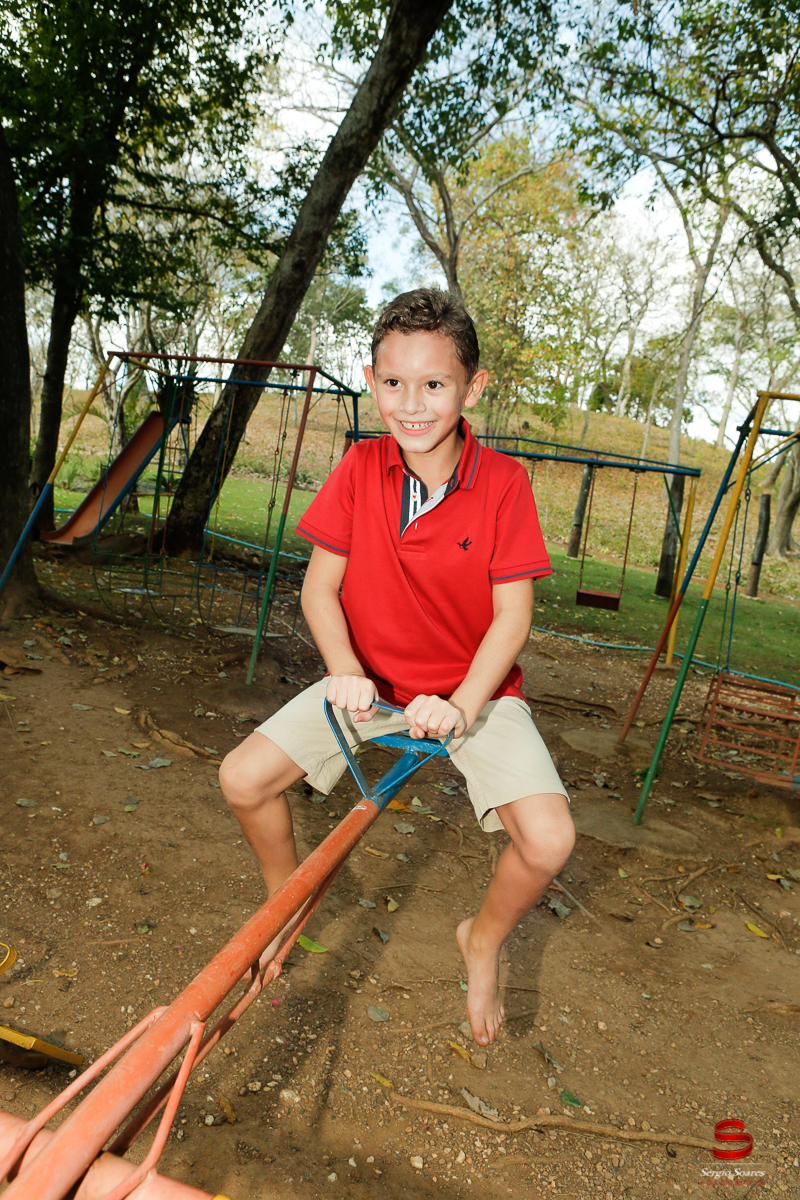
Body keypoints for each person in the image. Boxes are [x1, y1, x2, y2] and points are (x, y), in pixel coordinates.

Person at [219, 288, 574, 1046]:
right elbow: (320, 587)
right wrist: (344, 668)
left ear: (473, 388)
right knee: (242, 778)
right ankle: (286, 900)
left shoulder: (505, 484)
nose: (411, 404)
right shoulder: (360, 465)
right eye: (393, 382)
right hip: (368, 684)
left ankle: (480, 939)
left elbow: (513, 617)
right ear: (374, 381)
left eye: (434, 384)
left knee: (548, 842)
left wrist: (464, 703)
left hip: (470, 693)